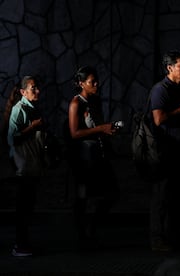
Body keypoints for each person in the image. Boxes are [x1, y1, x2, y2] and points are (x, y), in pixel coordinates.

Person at [67, 66, 120, 248]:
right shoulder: (76, 103)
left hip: (99, 153)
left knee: (112, 193)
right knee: (82, 196)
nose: (96, 84)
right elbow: (74, 133)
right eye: (91, 82)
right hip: (83, 157)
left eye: (96, 80)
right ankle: (82, 236)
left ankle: (91, 228)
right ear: (81, 84)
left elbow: (98, 125)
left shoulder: (95, 100)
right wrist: (100, 129)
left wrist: (107, 132)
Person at [148, 50, 180, 252]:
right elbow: (158, 119)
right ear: (169, 68)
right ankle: (157, 239)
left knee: (179, 195)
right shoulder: (160, 90)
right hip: (165, 151)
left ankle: (173, 236)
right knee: (162, 196)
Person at [7, 76, 46, 257]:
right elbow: (13, 138)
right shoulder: (19, 109)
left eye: (37, 87)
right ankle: (19, 245)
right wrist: (33, 126)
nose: (37, 91)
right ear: (23, 92)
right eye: (33, 88)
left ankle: (24, 244)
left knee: (28, 206)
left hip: (32, 165)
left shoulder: (31, 108)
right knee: (23, 207)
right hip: (23, 166)